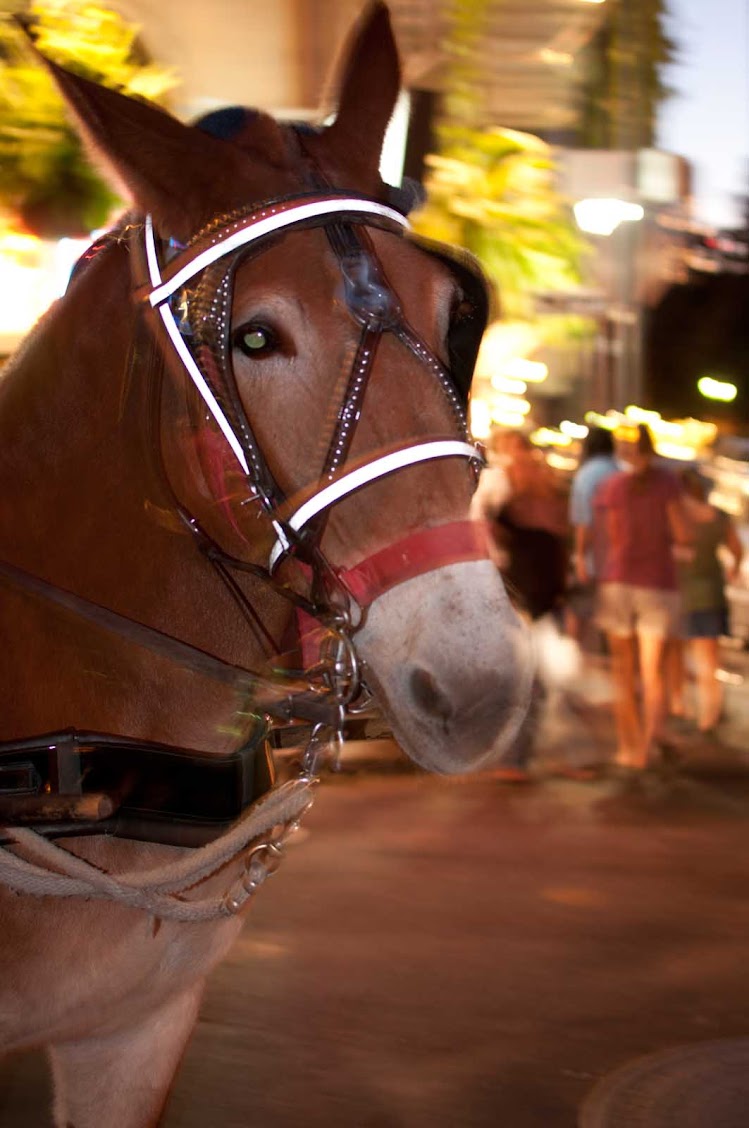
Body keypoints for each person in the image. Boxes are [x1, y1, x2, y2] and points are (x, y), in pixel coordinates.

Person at [471, 428, 572, 779]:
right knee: (527, 680)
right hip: (517, 598)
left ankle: (514, 756)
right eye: (516, 453)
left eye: (527, 454)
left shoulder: (543, 498)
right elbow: (483, 536)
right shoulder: (498, 493)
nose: (525, 461)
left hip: (537, 599)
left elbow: (555, 551)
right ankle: (511, 758)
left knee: (535, 681)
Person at [593, 423, 691, 770]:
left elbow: (609, 538)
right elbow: (681, 532)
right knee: (652, 673)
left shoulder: (612, 487)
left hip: (619, 582)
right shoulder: (668, 483)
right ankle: (648, 745)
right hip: (657, 583)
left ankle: (627, 747)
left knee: (623, 671)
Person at [674, 466, 743, 735]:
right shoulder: (718, 517)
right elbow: (737, 550)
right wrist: (733, 569)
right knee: (709, 659)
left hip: (680, 595)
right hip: (711, 595)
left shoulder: (676, 517)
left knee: (676, 654)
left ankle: (680, 705)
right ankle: (710, 714)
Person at [568, 426, 620, 648]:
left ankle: (575, 650)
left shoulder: (586, 475)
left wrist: (580, 554)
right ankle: (603, 651)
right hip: (618, 554)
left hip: (593, 554)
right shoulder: (620, 472)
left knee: (579, 604)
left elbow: (583, 520)